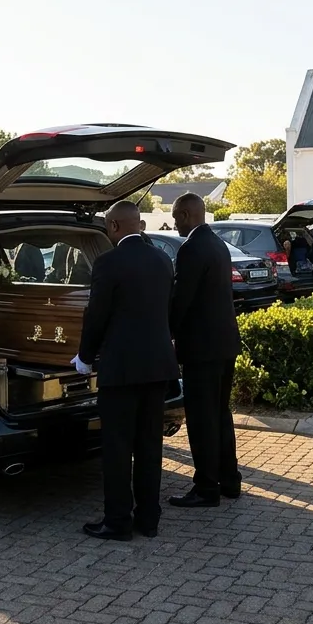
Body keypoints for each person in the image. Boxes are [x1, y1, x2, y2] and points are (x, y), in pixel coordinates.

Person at [73, 201, 179, 540]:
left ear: (115, 227)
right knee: (150, 446)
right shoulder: (163, 259)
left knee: (118, 447)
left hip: (120, 370)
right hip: (158, 366)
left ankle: (117, 521)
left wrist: (84, 357)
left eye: (107, 226)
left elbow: (97, 316)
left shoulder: (108, 263)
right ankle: (148, 519)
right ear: (140, 224)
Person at [168, 193, 244, 508]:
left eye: (175, 217)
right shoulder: (217, 244)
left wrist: (165, 333)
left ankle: (205, 488)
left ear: (187, 215)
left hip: (201, 348)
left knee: (201, 419)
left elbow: (181, 300)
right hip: (225, 343)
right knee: (220, 414)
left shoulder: (191, 248)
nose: (174, 224)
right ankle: (229, 480)